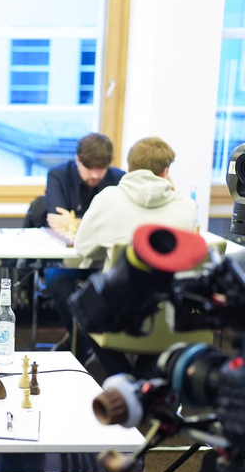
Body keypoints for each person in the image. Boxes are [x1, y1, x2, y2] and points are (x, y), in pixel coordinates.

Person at [73, 137, 195, 377]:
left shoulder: (108, 198)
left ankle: (122, 377)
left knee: (81, 305)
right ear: (165, 171)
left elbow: (83, 249)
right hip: (170, 321)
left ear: (128, 168)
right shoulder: (185, 206)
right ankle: (144, 379)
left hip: (117, 317)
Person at [43, 133, 125, 364]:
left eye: (102, 168)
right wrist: (97, 223)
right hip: (68, 259)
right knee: (58, 280)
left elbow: (118, 220)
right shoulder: (59, 174)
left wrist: (75, 220)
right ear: (78, 159)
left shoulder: (119, 178)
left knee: (115, 284)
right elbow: (55, 219)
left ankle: (81, 344)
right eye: (90, 168)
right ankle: (90, 344)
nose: (97, 175)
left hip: (103, 260)